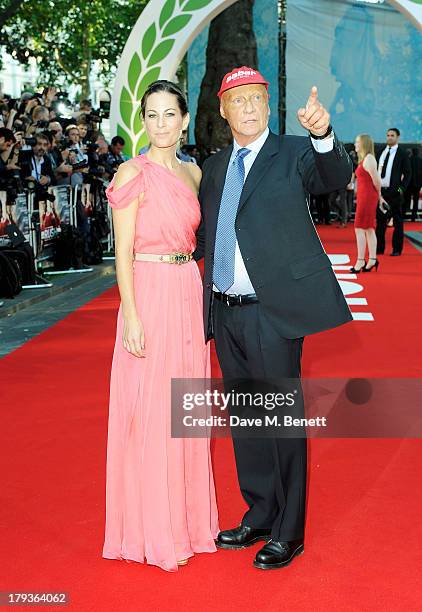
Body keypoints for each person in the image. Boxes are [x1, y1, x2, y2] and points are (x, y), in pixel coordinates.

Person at [194, 66, 353, 570]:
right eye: (236, 100)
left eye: (255, 98)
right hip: (226, 311)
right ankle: (260, 512)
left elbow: (334, 178)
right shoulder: (216, 166)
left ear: (268, 105)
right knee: (245, 419)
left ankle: (289, 529)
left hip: (272, 312)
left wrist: (324, 135)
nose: (247, 107)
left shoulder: (293, 152)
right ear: (223, 110)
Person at [102, 80, 219, 572]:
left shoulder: (194, 174)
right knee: (148, 411)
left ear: (185, 119)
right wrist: (130, 315)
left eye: (170, 114)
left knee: (184, 409)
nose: (162, 123)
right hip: (147, 292)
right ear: (142, 120)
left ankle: (187, 523)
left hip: (186, 290)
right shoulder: (132, 172)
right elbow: (122, 252)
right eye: (152, 114)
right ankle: (153, 528)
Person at [375, 128, 411, 256]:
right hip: (381, 193)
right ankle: (379, 249)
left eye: (392, 135)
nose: (389, 137)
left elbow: (408, 173)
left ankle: (397, 249)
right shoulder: (381, 152)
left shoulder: (402, 154)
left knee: (397, 222)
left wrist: (401, 189)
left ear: (398, 137)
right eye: (388, 135)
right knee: (380, 223)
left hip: (395, 193)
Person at [350, 134, 382, 273]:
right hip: (365, 196)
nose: (355, 144)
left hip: (368, 197)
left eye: (357, 142)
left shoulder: (369, 159)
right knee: (368, 228)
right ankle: (373, 260)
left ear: (364, 143)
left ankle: (360, 260)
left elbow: (377, 181)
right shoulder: (365, 159)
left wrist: (379, 197)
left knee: (359, 228)